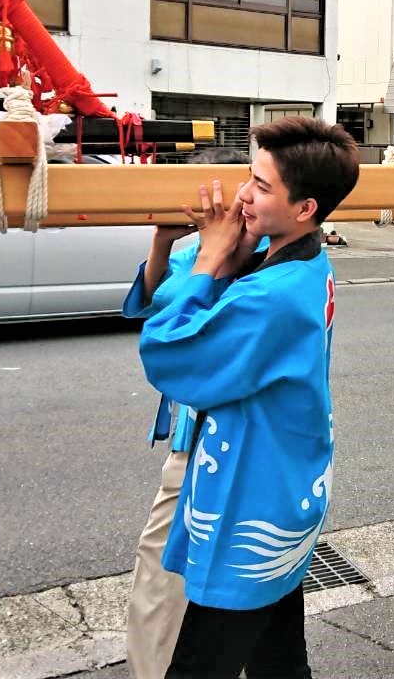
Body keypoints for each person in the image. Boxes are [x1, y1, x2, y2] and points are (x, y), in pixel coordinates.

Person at [133, 117, 358, 679]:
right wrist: (184, 247)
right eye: (248, 177)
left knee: (201, 663)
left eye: (261, 185)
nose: (242, 195)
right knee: (277, 657)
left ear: (305, 208)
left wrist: (210, 258)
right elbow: (176, 287)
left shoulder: (276, 294)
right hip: (279, 483)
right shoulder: (295, 260)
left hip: (248, 502)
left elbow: (170, 353)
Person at [123, 147, 250, 679]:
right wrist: (161, 240)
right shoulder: (195, 245)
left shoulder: (257, 248)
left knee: (199, 566)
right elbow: (154, 303)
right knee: (163, 564)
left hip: (227, 432)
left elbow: (175, 336)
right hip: (195, 430)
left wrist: (213, 255)